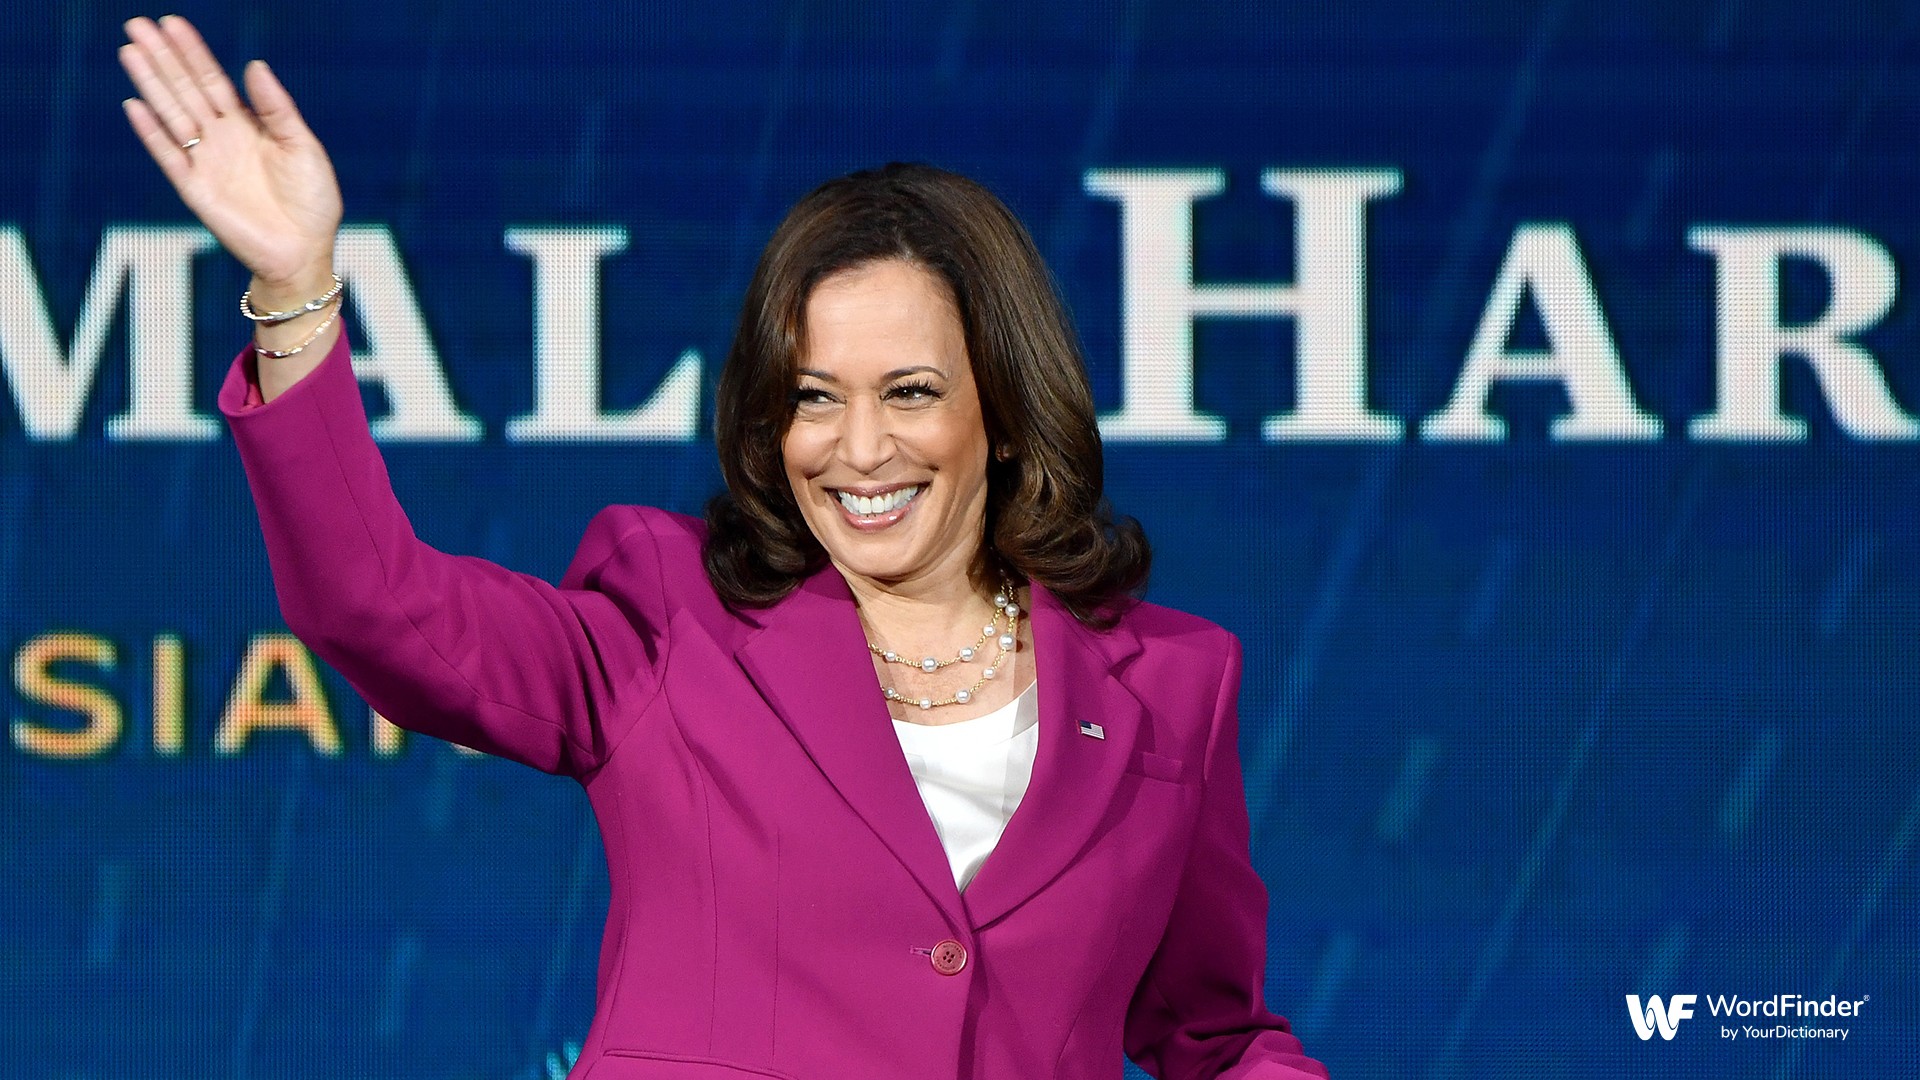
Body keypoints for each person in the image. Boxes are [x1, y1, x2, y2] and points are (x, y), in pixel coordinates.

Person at [119, 14, 1331, 1080]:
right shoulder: (667, 620)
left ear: (1004, 411)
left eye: (909, 393)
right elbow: (378, 607)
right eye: (813, 398)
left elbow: (1212, 1036)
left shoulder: (1173, 684)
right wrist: (297, 286)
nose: (858, 450)